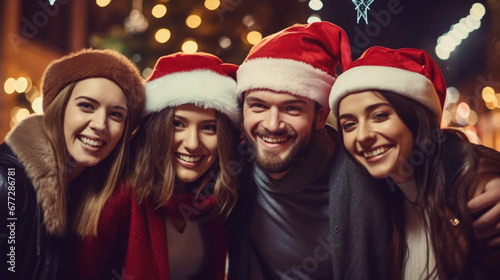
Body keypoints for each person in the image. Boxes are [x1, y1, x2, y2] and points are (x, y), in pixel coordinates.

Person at [226, 21, 393, 279]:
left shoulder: (366, 168)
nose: (272, 125)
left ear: (320, 116)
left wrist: (470, 165)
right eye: (258, 106)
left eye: (292, 108)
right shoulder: (233, 166)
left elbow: (424, 156)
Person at [329, 46, 500, 279]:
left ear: (415, 117)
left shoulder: (474, 186)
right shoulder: (382, 194)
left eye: (379, 115)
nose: (362, 135)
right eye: (349, 124)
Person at [74, 52, 241, 280]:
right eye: (178, 124)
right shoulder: (118, 196)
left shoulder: (214, 197)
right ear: (155, 130)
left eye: (209, 127)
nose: (192, 144)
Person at [0, 49, 145, 280]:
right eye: (87, 106)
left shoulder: (97, 191)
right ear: (60, 109)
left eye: (116, 114)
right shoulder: (8, 181)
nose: (100, 124)